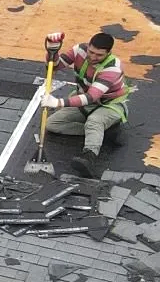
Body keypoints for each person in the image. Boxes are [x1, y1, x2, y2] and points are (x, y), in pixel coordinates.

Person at [44, 30, 132, 176]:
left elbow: (91, 97)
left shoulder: (113, 68)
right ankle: (102, 133)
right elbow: (54, 66)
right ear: (88, 46)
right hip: (85, 101)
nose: (93, 57)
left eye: (99, 55)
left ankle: (89, 157)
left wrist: (58, 102)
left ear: (108, 53)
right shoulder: (79, 50)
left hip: (109, 105)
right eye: (91, 52)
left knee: (94, 121)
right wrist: (53, 51)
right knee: (52, 124)